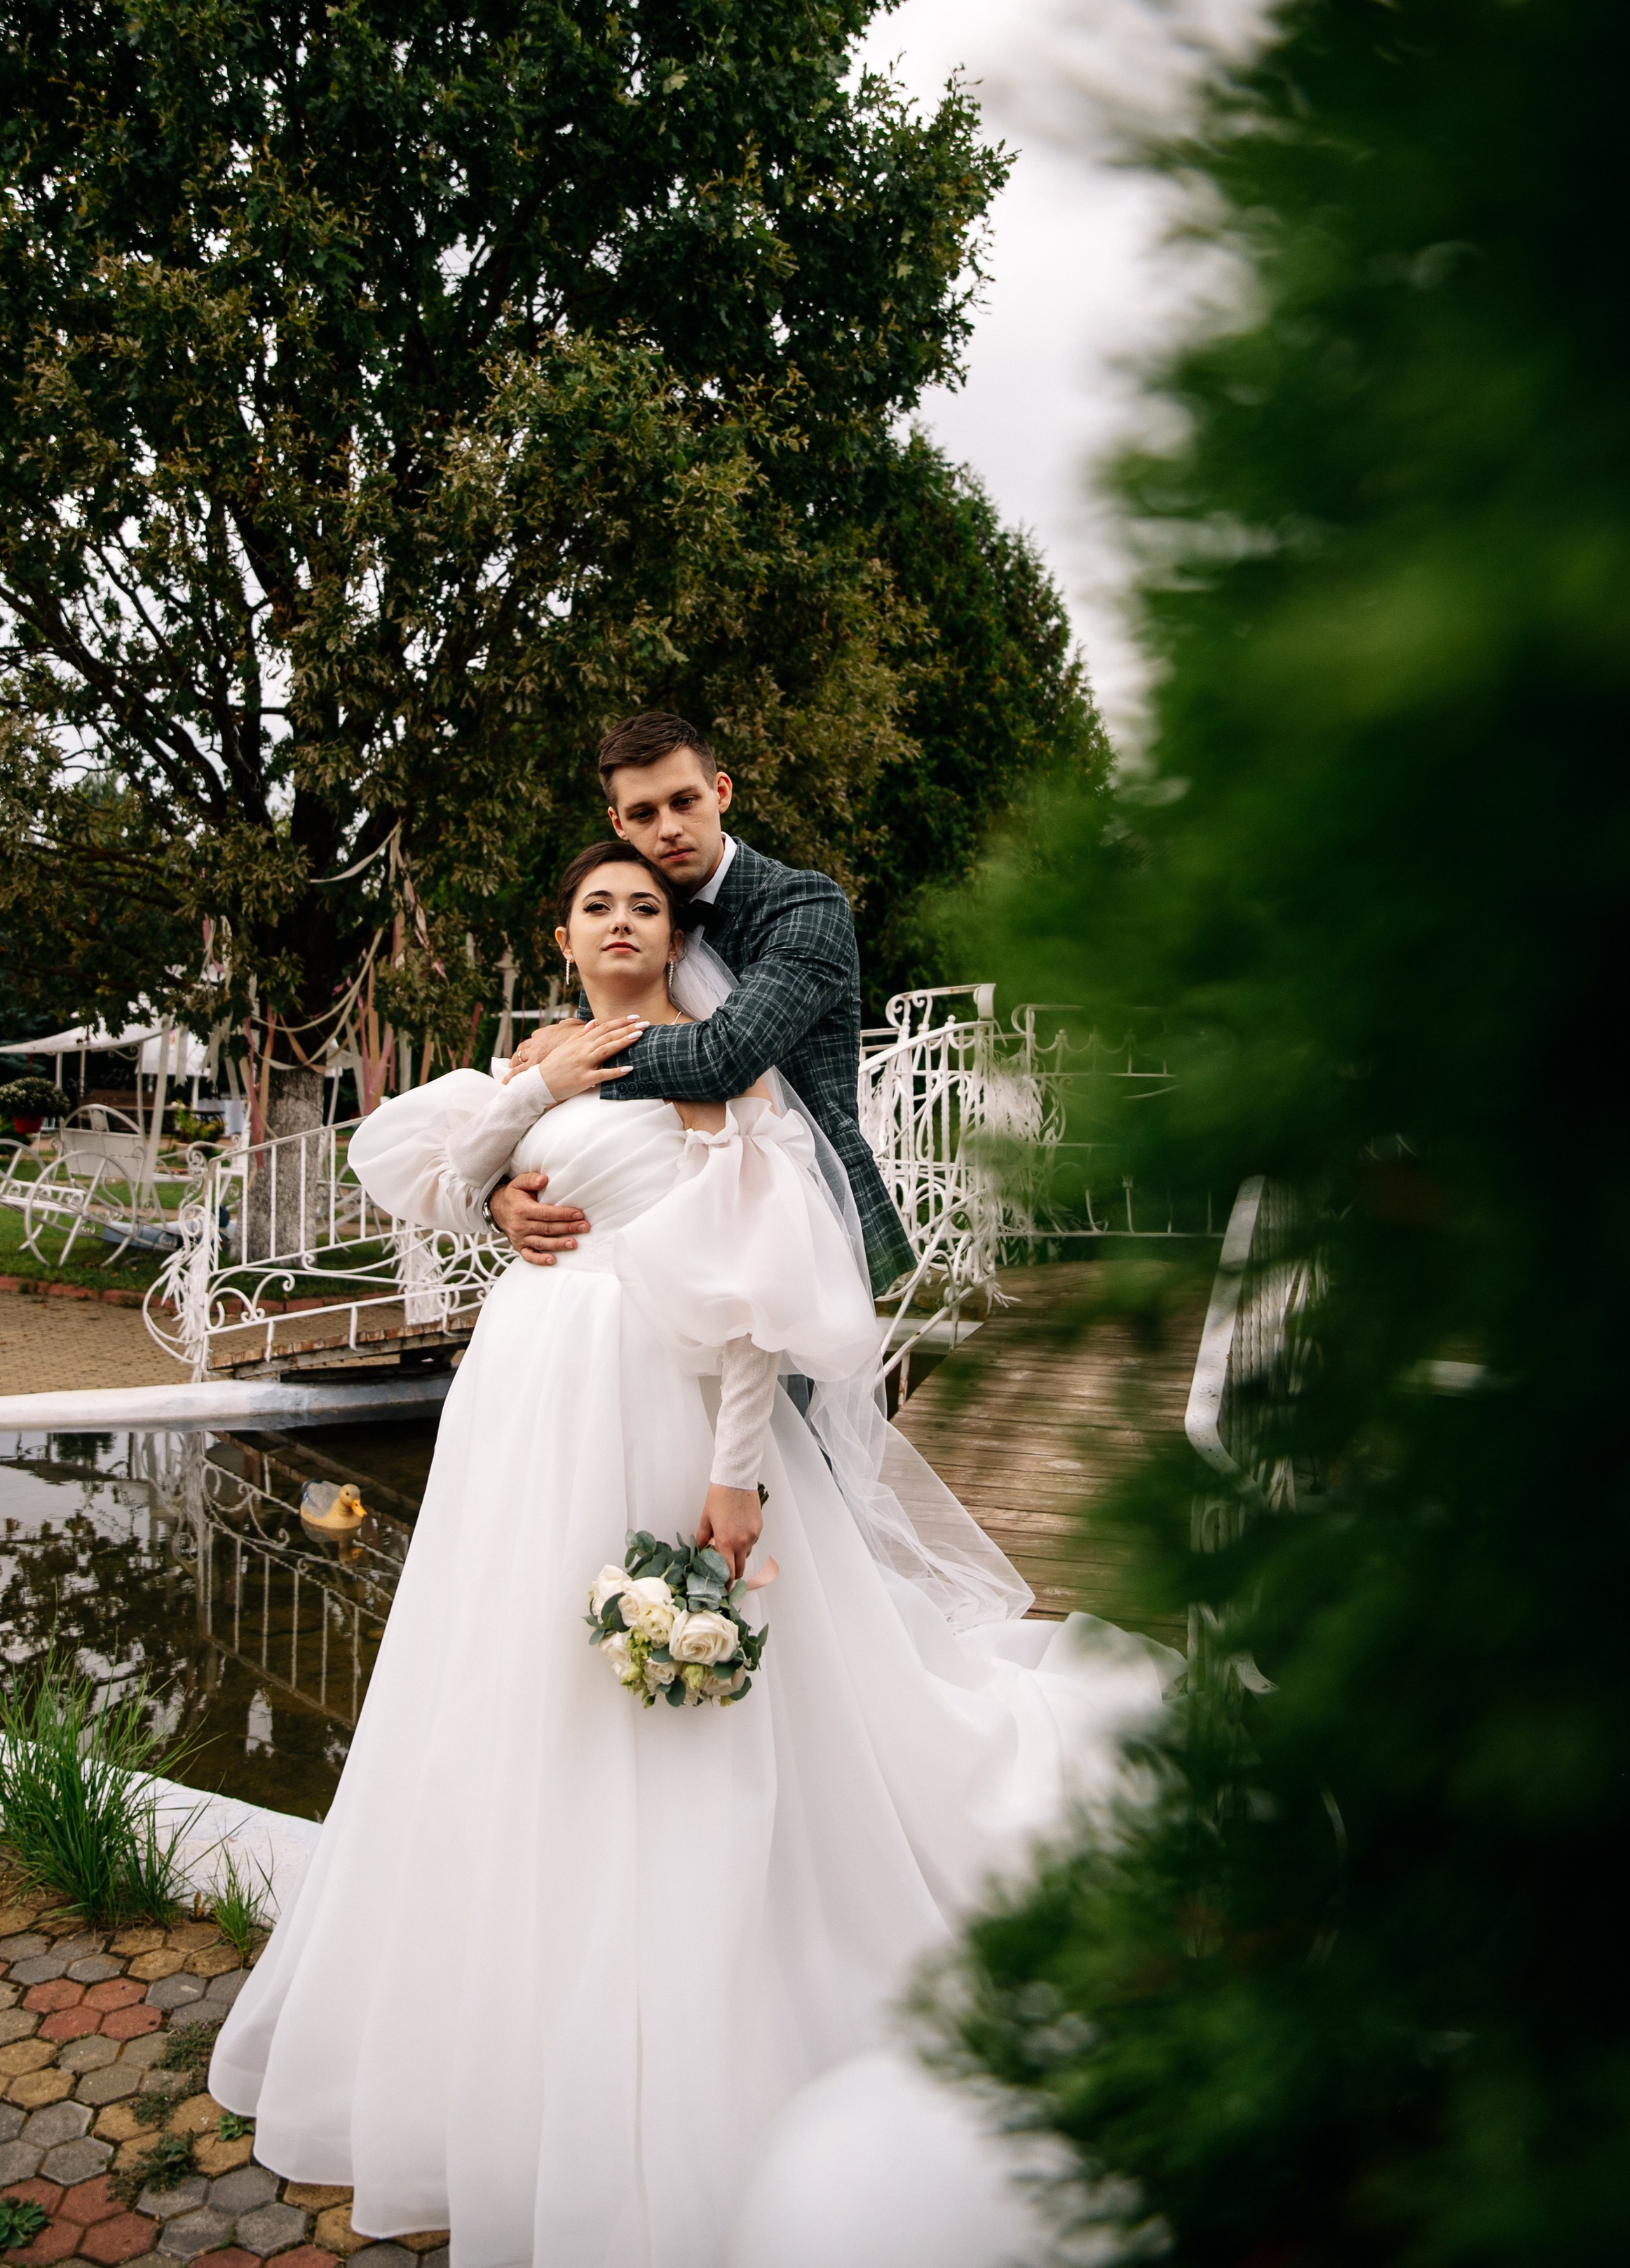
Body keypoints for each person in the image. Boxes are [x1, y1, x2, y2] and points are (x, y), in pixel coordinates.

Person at [209, 837, 1177, 2268]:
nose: (619, 920)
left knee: (672, 1698)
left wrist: (734, 1479)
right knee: (515, 1674)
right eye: (595, 904)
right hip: (522, 1398)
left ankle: (701, 1998)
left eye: (643, 906)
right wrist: (507, 1160)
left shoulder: (714, 1066)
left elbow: (754, 1290)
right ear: (563, 934)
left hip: (660, 1400)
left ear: (674, 935)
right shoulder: (545, 1052)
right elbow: (411, 1171)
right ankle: (515, 2009)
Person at [489, 710, 916, 1295]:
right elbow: (590, 1099)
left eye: (684, 801)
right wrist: (500, 1197)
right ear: (619, 823)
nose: (668, 828)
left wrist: (581, 1047)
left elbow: (726, 1056)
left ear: (721, 793)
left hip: (805, 1222)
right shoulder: (627, 922)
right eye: (644, 813)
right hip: (664, 1237)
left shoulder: (805, 905)